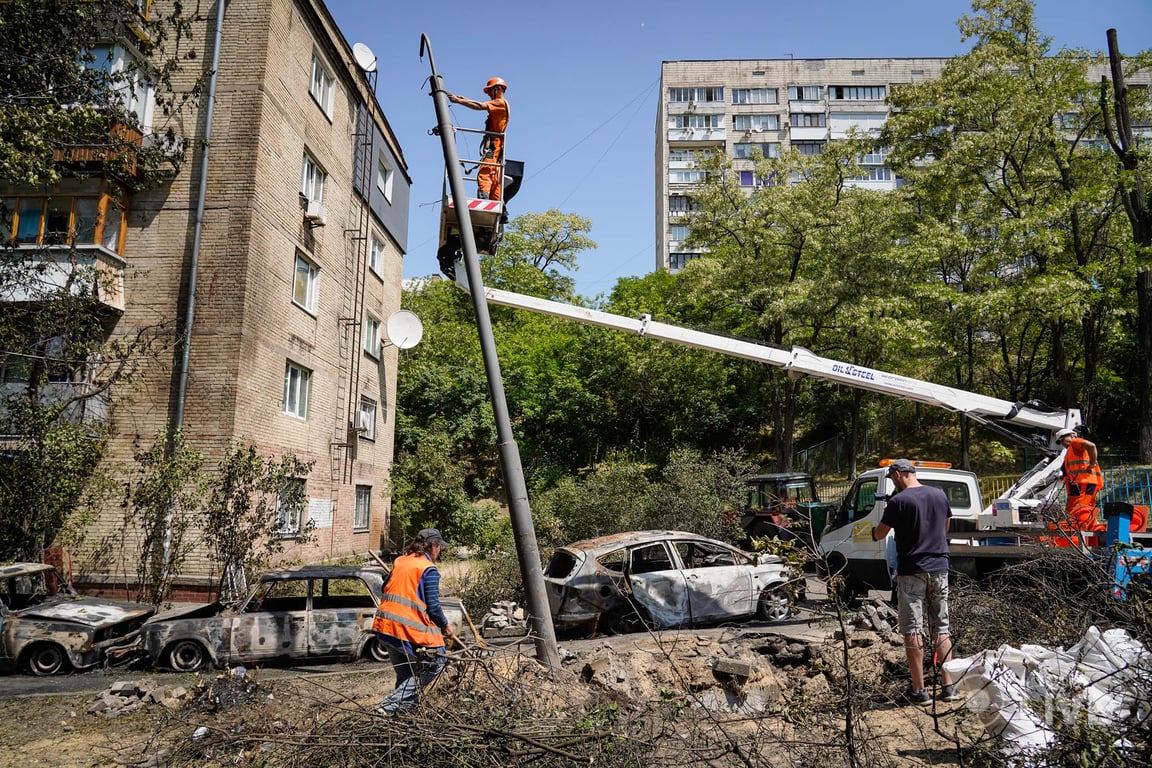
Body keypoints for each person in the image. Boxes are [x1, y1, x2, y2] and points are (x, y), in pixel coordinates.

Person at [871, 459, 960, 705]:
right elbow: (945, 528)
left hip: (912, 570)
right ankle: (949, 686)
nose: (893, 483)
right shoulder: (940, 495)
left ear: (898, 474)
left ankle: (919, 690)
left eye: (892, 479)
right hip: (940, 567)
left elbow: (879, 533)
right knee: (941, 627)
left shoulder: (899, 501)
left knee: (913, 630)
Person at [372, 528, 458, 714]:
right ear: (433, 546)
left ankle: (405, 717)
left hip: (385, 627)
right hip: (405, 629)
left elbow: (386, 587)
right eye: (439, 547)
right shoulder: (428, 569)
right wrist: (445, 626)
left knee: (406, 677)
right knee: (436, 664)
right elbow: (433, 607)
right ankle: (386, 706)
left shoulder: (401, 561)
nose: (440, 551)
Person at [447, 77, 509, 201]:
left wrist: (459, 101)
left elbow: (480, 105)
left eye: (490, 91)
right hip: (496, 144)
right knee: (493, 174)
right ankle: (499, 206)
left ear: (498, 89)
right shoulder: (499, 104)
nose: (490, 95)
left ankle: (484, 198)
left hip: (493, 145)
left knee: (485, 171)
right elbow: (480, 104)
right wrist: (464, 99)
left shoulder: (500, 103)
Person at [1055, 428, 1104, 531]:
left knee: (1080, 509)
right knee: (1079, 509)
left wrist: (1092, 462)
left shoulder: (1075, 442)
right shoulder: (1070, 451)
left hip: (1083, 482)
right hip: (1080, 484)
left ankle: (1078, 533)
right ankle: (1091, 529)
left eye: (1061, 440)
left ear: (1070, 436)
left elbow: (1092, 446)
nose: (1061, 444)